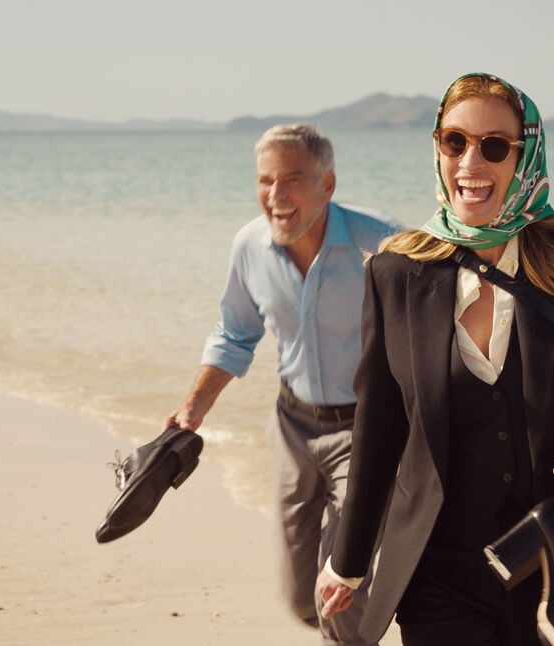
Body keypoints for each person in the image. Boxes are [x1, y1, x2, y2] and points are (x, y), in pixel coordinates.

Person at [316, 73, 554, 644]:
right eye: (454, 142)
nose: (471, 161)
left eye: (495, 146)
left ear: (527, 155)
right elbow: (379, 429)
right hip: (436, 571)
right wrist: (347, 559)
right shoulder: (395, 273)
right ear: (437, 147)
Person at [163, 124, 398, 645]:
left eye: (292, 178)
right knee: (300, 598)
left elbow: (432, 336)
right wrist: (194, 407)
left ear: (327, 184)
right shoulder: (249, 246)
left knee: (338, 590)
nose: (275, 194)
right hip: (291, 427)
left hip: (365, 433)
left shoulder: (381, 247)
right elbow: (235, 332)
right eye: (265, 180)